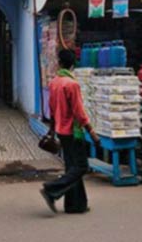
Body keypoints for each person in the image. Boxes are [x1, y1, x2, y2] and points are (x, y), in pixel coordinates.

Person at [41, 49, 100, 214]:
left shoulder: (54, 83)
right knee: (81, 166)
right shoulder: (71, 84)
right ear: (73, 65)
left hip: (61, 130)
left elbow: (52, 109)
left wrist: (52, 130)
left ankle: (76, 205)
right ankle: (51, 189)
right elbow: (79, 112)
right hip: (74, 132)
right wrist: (92, 131)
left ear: (60, 63)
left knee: (72, 167)